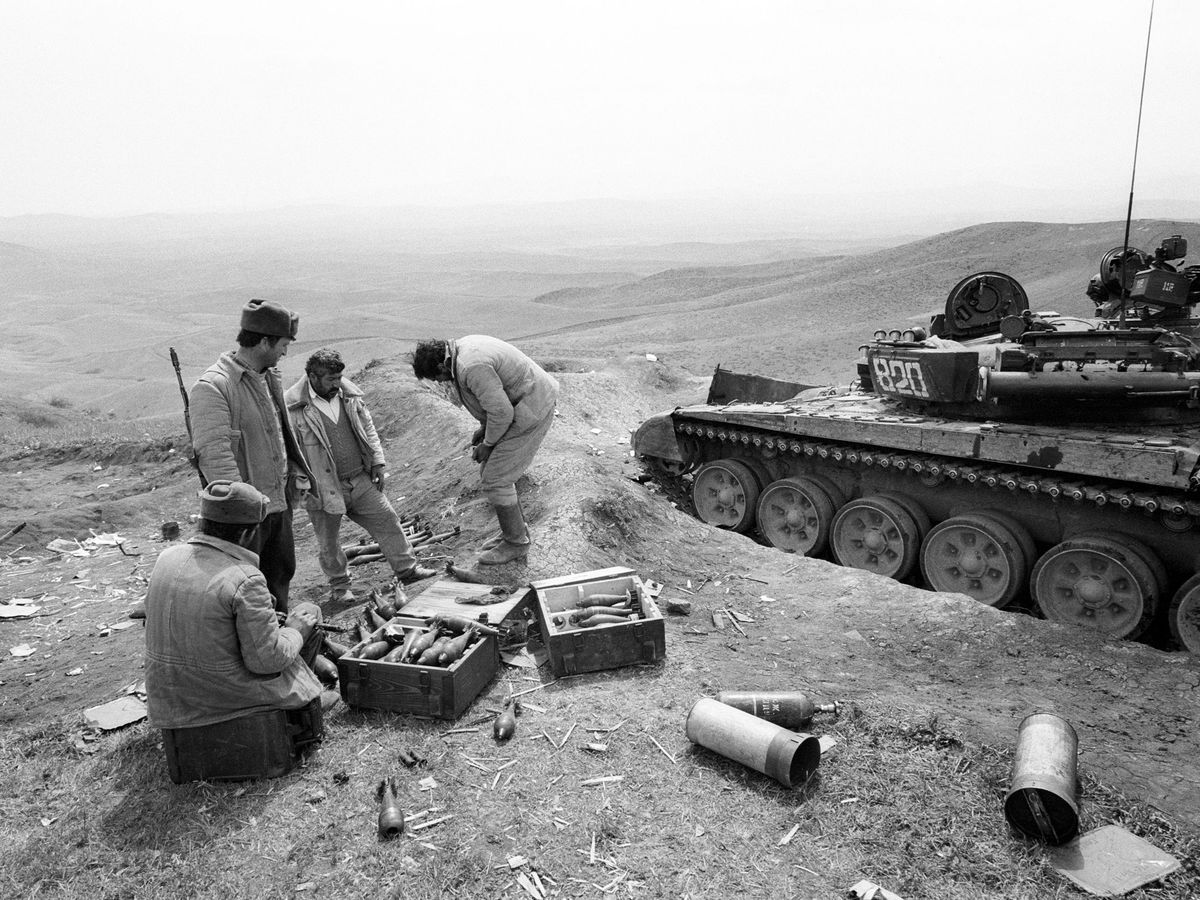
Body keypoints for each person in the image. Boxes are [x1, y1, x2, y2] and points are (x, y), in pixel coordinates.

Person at [143, 480, 326, 731]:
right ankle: (296, 706)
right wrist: (295, 630)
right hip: (222, 702)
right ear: (248, 534)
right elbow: (267, 661)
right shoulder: (246, 578)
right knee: (308, 615)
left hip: (168, 701)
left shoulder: (167, 557)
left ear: (203, 522)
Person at [189, 299, 315, 613]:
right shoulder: (214, 387)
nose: (285, 352)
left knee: (279, 579)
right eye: (283, 345)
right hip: (245, 516)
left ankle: (277, 638)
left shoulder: (267, 377)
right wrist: (242, 512)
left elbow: (278, 436)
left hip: (277, 505)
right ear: (264, 342)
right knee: (246, 593)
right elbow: (215, 457)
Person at [285, 348, 437, 603]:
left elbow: (368, 427)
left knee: (387, 519)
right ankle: (340, 587)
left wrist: (377, 461)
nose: (337, 383)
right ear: (312, 377)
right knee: (329, 542)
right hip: (322, 486)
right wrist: (301, 483)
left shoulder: (349, 395)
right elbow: (288, 451)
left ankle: (407, 570)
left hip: (359, 479)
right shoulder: (293, 407)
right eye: (331, 379)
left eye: (339, 377)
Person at [411, 335, 559, 565]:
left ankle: (516, 543)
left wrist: (488, 445)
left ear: (441, 366)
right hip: (525, 402)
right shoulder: (461, 351)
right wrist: (485, 428)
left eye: (437, 378)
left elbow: (501, 413)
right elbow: (493, 400)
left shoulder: (470, 367)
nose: (440, 382)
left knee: (496, 478)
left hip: (532, 407)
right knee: (493, 473)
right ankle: (516, 531)